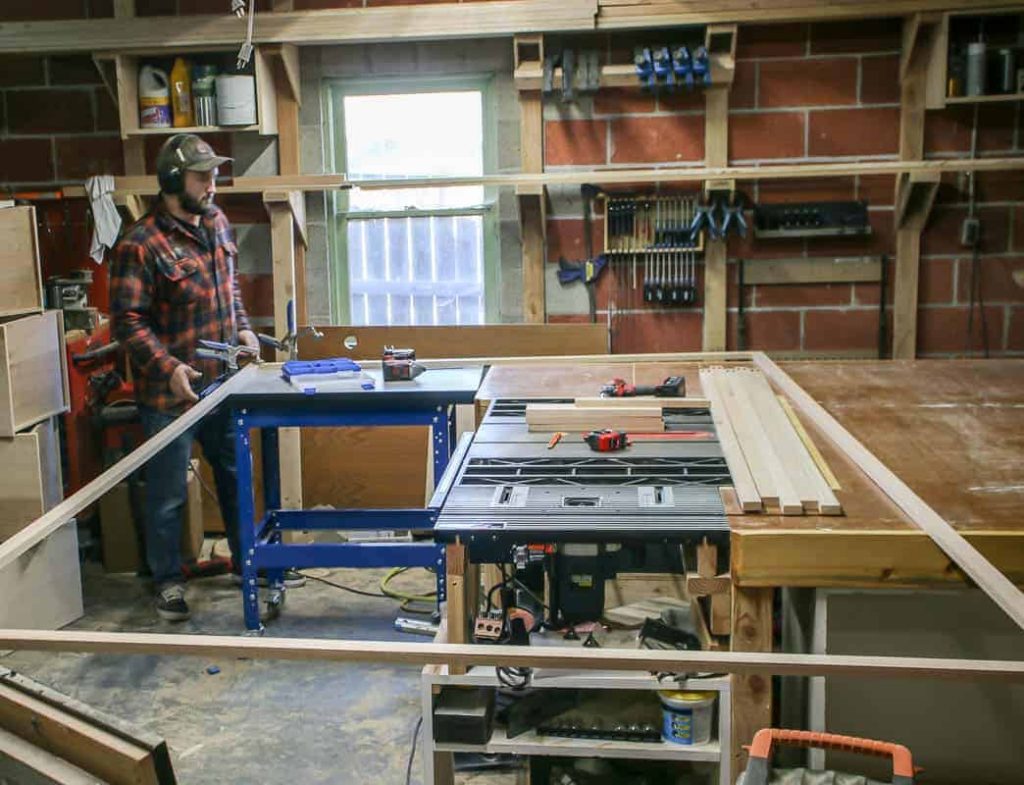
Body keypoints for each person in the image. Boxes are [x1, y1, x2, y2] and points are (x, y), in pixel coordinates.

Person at [110, 133, 303, 621]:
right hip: (169, 393)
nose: (213, 185)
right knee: (169, 491)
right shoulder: (140, 244)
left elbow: (229, 285)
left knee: (236, 475)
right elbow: (127, 322)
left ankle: (247, 561)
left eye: (214, 174)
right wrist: (170, 367)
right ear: (174, 180)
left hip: (222, 384)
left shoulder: (217, 223)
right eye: (203, 176)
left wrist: (242, 327)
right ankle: (167, 581)